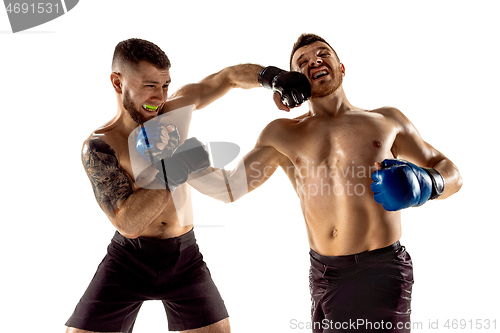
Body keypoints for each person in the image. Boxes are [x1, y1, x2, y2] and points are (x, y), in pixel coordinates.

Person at [190, 34, 463, 332]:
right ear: (295, 79)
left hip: (378, 270)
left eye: (322, 54)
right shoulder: (282, 134)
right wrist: (178, 161)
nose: (314, 61)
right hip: (321, 272)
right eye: (303, 62)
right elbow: (228, 188)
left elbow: (452, 174)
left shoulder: (386, 120)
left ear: (342, 68)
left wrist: (427, 183)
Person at [65, 38, 310, 333]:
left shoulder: (171, 113)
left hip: (184, 257)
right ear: (117, 83)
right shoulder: (100, 146)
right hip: (128, 259)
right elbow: (128, 223)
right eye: (149, 85)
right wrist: (177, 167)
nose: (159, 96)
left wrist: (272, 77)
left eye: (165, 85)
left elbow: (227, 78)